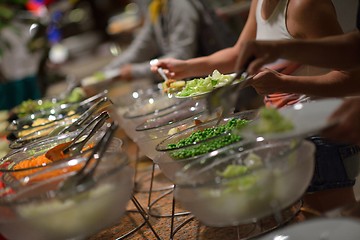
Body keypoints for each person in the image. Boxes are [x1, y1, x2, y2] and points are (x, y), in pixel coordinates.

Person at [152, 0, 360, 209]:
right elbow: (239, 55)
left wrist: (284, 83)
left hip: (319, 135)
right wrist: (185, 68)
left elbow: (352, 78)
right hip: (284, 131)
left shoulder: (305, 6)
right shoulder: (259, 2)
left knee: (335, 222)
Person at [102, 0, 235, 81]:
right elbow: (143, 45)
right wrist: (106, 72)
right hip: (190, 83)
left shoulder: (180, 4)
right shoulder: (158, 5)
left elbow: (181, 56)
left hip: (213, 81)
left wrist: (134, 71)